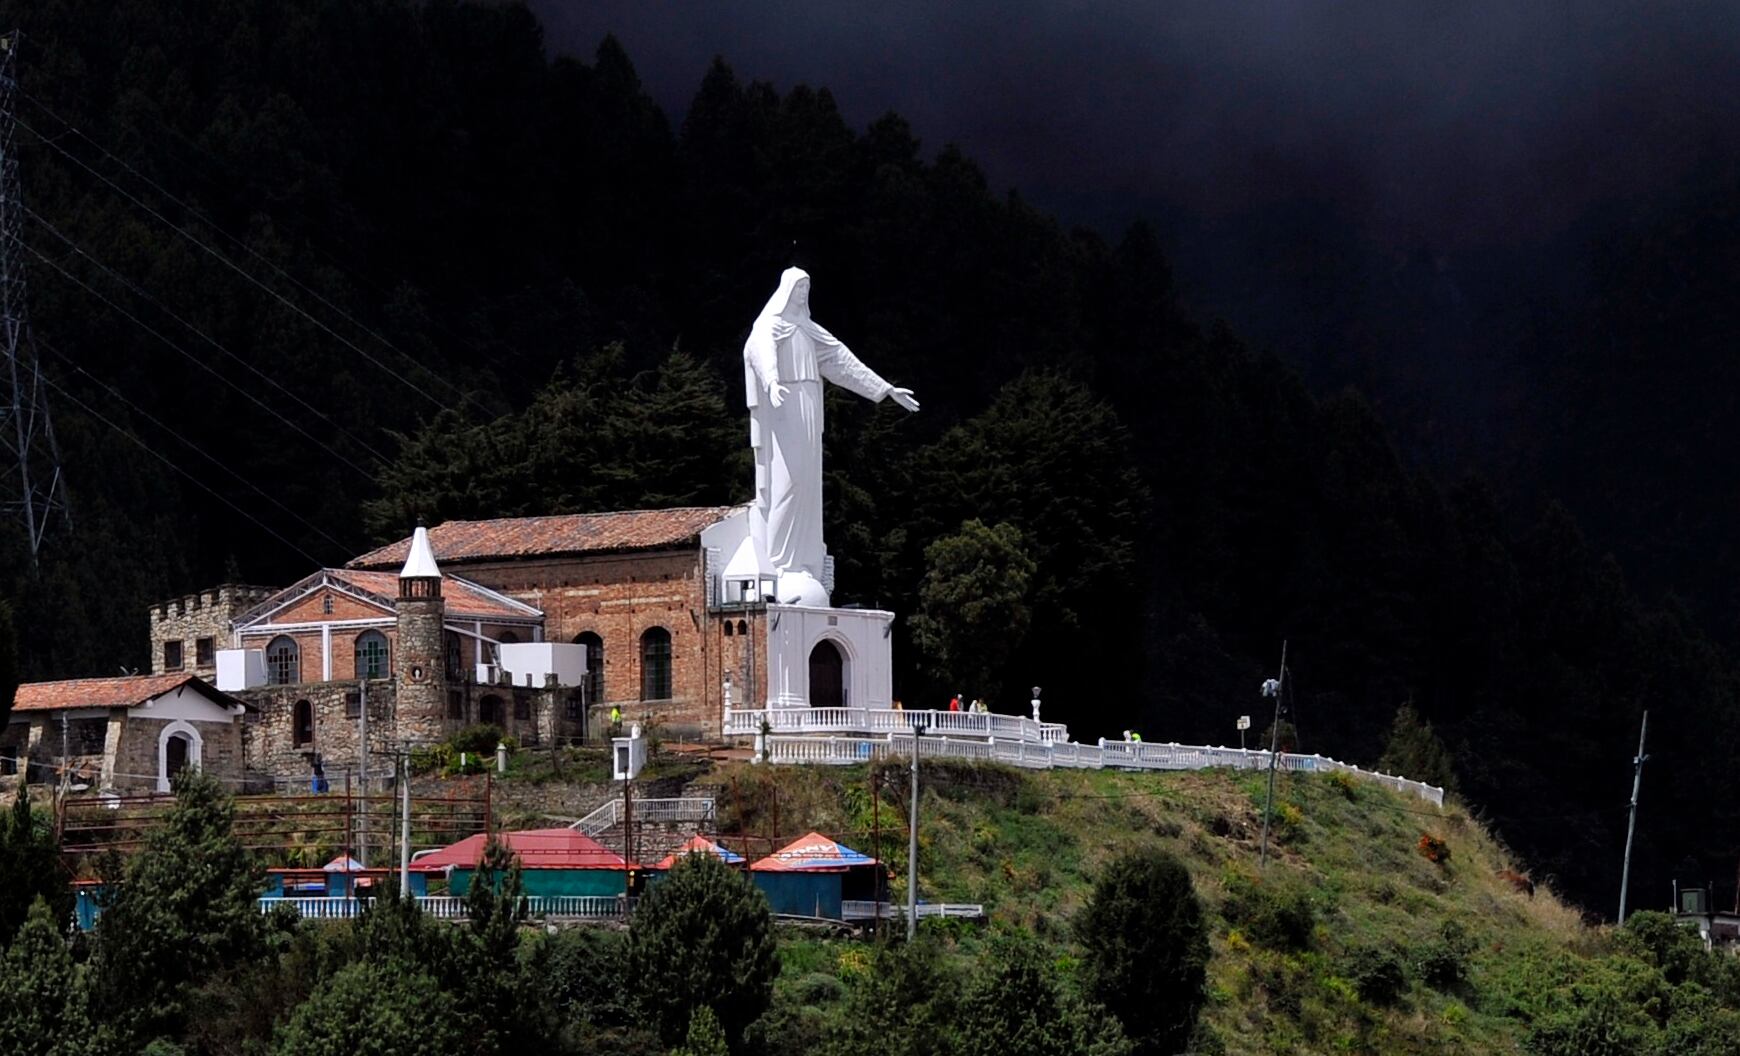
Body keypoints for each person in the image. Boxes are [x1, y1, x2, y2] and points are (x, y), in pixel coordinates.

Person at [743, 268, 919, 605]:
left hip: (810, 403)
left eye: (808, 287)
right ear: (786, 290)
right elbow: (758, 350)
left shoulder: (809, 330)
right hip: (784, 405)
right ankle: (781, 563)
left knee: (809, 483)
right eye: (799, 286)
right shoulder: (770, 325)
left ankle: (803, 564)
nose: (803, 292)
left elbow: (842, 362)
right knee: (788, 481)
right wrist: (772, 381)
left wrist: (884, 389)